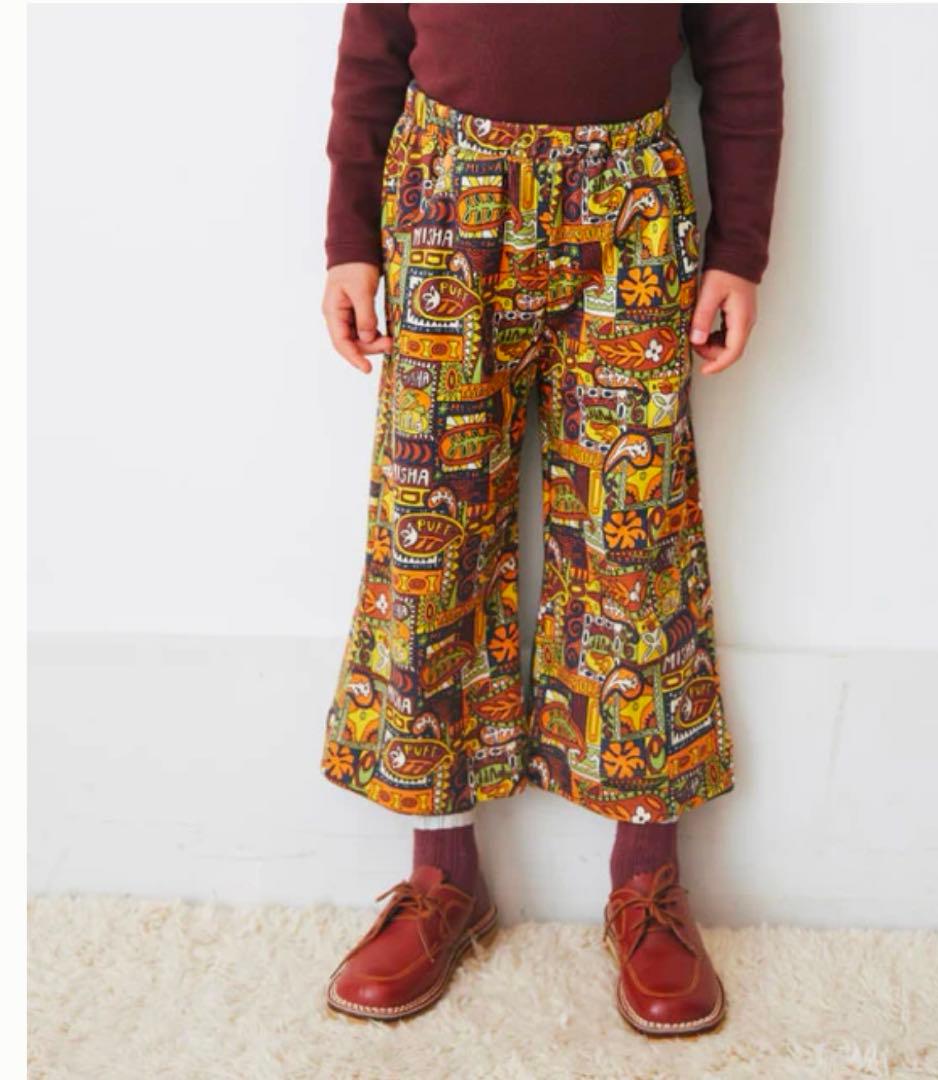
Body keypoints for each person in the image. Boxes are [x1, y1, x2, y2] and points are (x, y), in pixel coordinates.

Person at [319, 3, 783, 1036]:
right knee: (431, 532)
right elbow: (373, 41)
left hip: (629, 211)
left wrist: (740, 248)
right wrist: (349, 236)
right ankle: (443, 869)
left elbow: (742, 52)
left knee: (635, 540)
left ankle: (645, 873)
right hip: (447, 196)